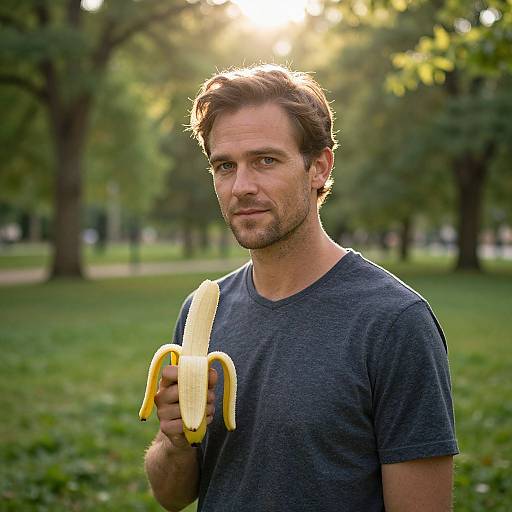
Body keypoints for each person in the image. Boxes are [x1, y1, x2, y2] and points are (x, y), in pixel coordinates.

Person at [143, 64, 459, 512]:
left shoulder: (394, 322)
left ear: (319, 168)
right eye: (224, 166)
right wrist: (173, 440)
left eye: (265, 161)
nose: (241, 187)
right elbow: (171, 496)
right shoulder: (202, 311)